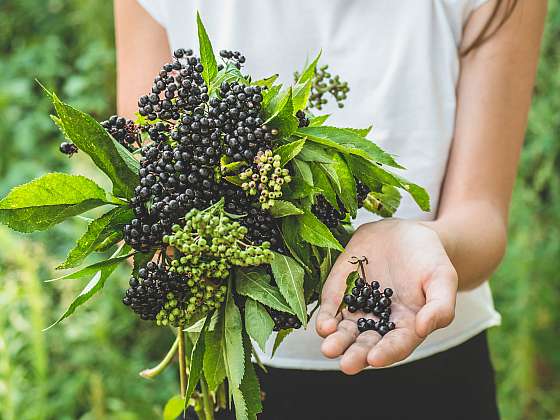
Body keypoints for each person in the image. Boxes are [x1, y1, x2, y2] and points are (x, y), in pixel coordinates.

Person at [114, 1, 547, 418]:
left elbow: (482, 217)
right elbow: (149, 185)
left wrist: (431, 243)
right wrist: (179, 250)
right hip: (241, 374)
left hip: (432, 364)